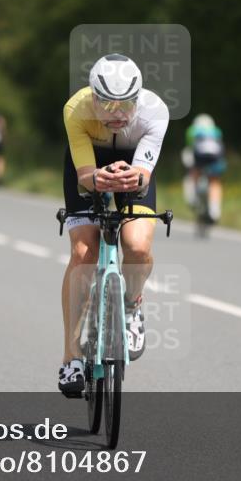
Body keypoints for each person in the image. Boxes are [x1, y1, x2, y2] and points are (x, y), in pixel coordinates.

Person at [58, 54, 169, 395]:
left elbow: (144, 174)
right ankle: (71, 357)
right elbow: (85, 175)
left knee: (137, 246)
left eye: (126, 103)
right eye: (107, 103)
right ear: (93, 97)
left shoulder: (155, 111)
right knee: (83, 253)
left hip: (133, 169)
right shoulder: (76, 110)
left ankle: (132, 304)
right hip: (90, 166)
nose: (117, 113)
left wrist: (132, 178)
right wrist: (96, 179)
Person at [182, 113, 226, 224]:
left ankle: (195, 198)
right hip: (215, 157)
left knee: (194, 173)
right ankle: (215, 210)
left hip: (200, 157)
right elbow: (221, 147)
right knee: (215, 181)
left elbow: (190, 148)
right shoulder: (217, 131)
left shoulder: (192, 130)